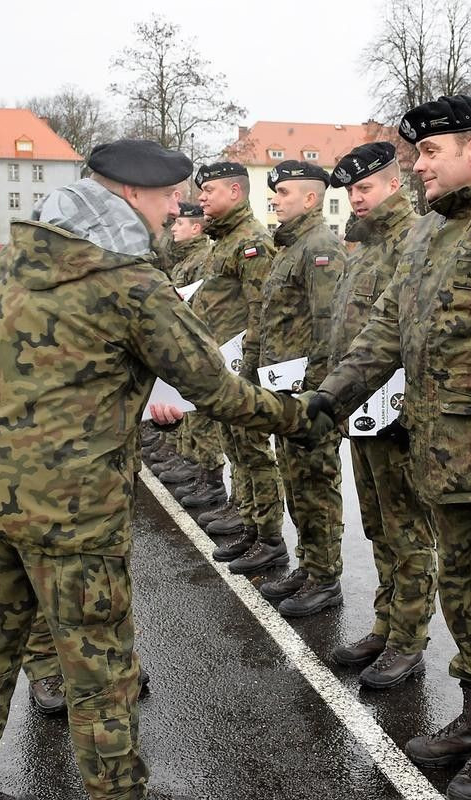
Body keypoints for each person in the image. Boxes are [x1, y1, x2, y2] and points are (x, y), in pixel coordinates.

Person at [0, 139, 324, 800]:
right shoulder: (131, 278)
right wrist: (301, 414)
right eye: (170, 196)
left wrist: (115, 390)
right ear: (129, 193)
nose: (179, 207)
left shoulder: (24, 254)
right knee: (100, 671)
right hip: (72, 509)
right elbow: (215, 387)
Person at [309, 93, 471, 799]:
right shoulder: (427, 235)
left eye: (430, 155)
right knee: (464, 598)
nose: (418, 170)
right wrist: (330, 398)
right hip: (440, 461)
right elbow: (385, 329)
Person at [324, 141, 438, 687]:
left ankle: (408, 639)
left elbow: (416, 335)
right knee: (379, 527)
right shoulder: (366, 247)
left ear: (395, 184)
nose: (356, 199)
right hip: (362, 410)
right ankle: (385, 624)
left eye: (365, 188)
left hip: (397, 415)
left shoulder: (415, 241)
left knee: (408, 530)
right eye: (351, 191)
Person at [254, 160, 348, 617]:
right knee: (296, 483)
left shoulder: (321, 247)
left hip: (308, 397)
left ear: (311, 199)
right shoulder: (291, 247)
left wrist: (317, 395)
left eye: (285, 193)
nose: (275, 199)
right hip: (285, 394)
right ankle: (310, 565)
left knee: (316, 485)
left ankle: (326, 576)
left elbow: (330, 326)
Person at [186, 162, 287, 558]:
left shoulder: (252, 242)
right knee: (236, 449)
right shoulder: (224, 240)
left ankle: (270, 538)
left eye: (209, 190)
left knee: (254, 452)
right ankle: (250, 522)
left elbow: (260, 310)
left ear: (235, 192)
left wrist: (249, 370)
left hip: (243, 367)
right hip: (222, 366)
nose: (202, 198)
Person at [157, 203, 228, 510]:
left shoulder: (202, 258)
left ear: (196, 228)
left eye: (180, 223)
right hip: (186, 339)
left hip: (206, 341)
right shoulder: (187, 256)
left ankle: (209, 477)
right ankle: (192, 463)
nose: (174, 228)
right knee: (190, 412)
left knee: (204, 418)